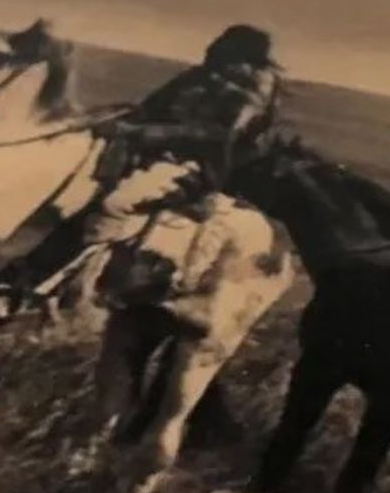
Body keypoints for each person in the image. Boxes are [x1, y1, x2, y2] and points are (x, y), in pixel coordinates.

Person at [20, 24, 286, 310]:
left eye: (222, 44)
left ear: (241, 56)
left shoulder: (248, 94)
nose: (211, 46)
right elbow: (151, 108)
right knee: (78, 188)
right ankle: (25, 271)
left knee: (116, 204)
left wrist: (145, 133)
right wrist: (115, 120)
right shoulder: (199, 76)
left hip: (195, 167)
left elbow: (217, 136)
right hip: (147, 154)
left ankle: (51, 287)